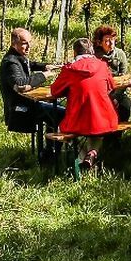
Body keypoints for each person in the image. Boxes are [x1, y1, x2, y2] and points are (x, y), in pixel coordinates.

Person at [51, 38, 120, 171]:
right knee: (97, 130)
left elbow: (55, 91)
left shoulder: (70, 69)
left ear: (75, 52)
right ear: (91, 51)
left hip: (78, 119)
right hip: (105, 118)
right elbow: (111, 86)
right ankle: (92, 153)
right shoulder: (102, 65)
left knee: (64, 131)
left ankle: (81, 159)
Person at [0, 28, 59, 136]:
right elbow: (20, 83)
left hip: (29, 103)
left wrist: (45, 66)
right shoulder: (11, 63)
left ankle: (50, 144)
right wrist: (43, 75)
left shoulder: (17, 57)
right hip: (23, 109)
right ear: (14, 44)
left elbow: (28, 64)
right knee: (61, 113)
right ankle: (54, 145)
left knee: (55, 109)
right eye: (24, 43)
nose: (29, 47)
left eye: (30, 42)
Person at [94, 24, 131, 119]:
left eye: (112, 40)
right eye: (107, 41)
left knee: (125, 106)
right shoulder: (94, 56)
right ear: (100, 43)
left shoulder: (120, 54)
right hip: (100, 92)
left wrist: (115, 97)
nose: (111, 43)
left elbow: (124, 78)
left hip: (117, 90)